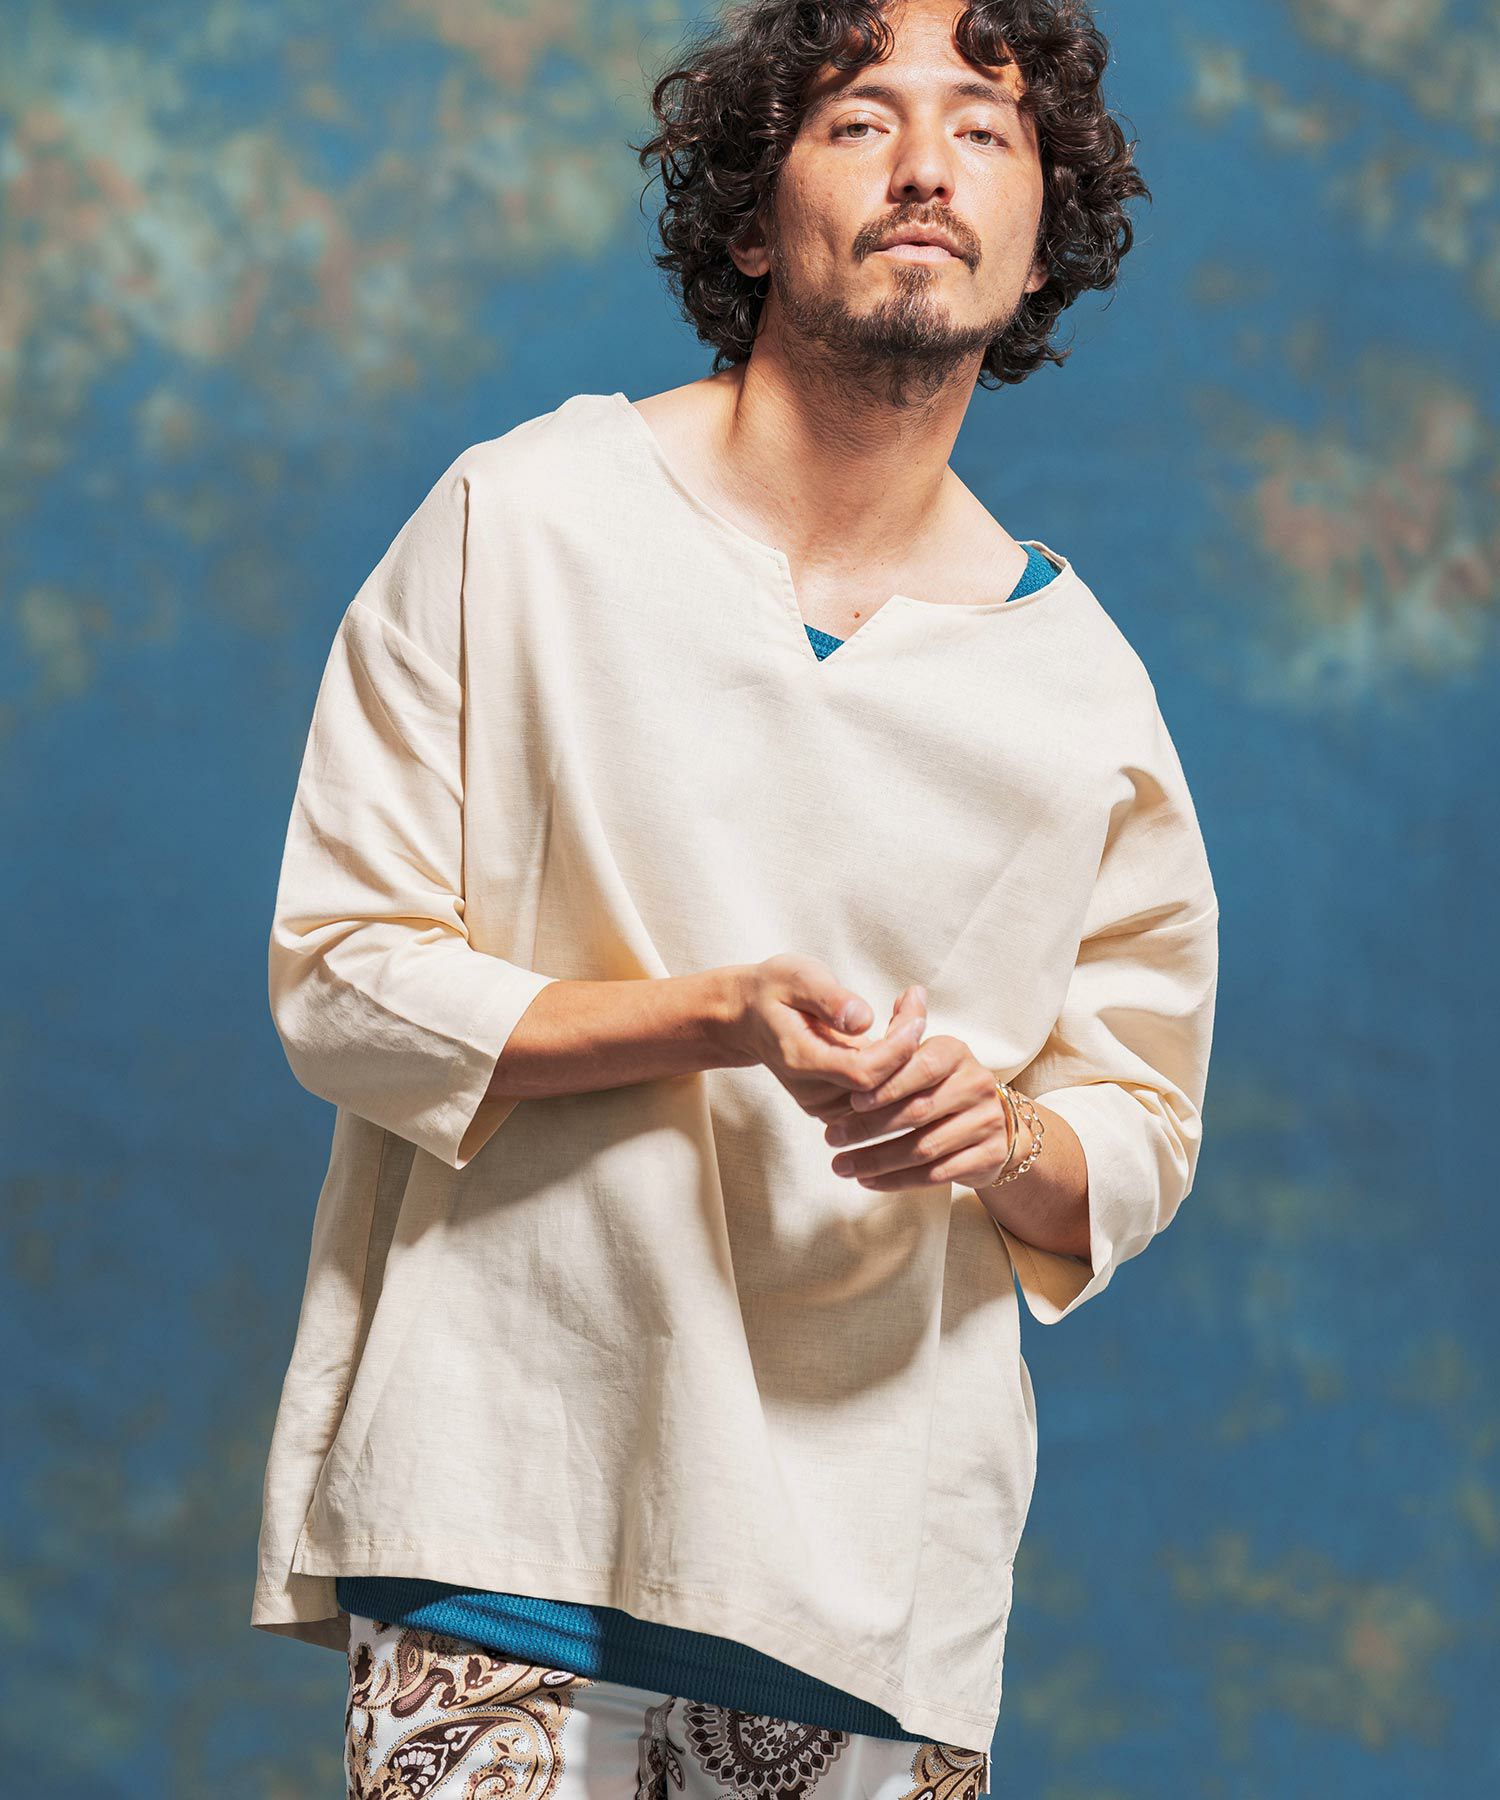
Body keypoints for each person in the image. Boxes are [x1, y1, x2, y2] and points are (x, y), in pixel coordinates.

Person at [251, 2, 1220, 1796]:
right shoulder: (520, 523)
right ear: (752, 221)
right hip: (505, 1498)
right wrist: (719, 1017)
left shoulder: (1085, 691)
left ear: (1041, 247)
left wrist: (1002, 1133)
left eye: (986, 131)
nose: (926, 167)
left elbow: (1141, 1124)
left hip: (878, 1582)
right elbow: (343, 978)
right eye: (860, 120)